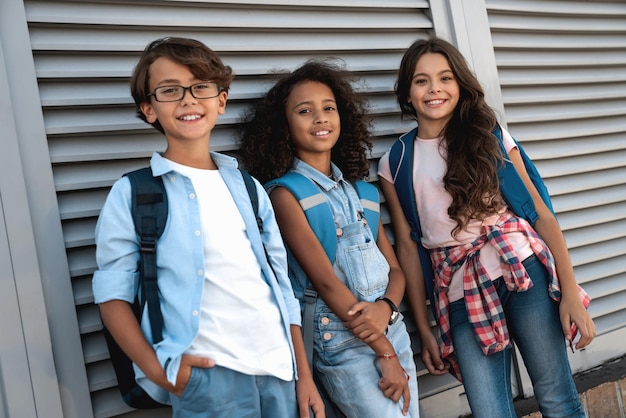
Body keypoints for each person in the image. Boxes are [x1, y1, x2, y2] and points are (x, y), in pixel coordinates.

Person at [92, 37, 324, 418]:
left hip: (280, 370)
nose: (188, 99)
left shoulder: (248, 188)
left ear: (221, 100)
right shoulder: (134, 193)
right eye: (170, 90)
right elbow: (112, 294)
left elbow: (282, 288)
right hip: (207, 379)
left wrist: (303, 375)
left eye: (200, 86)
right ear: (149, 109)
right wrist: (160, 371)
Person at [378, 37, 596, 418]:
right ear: (407, 93)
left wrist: (571, 296)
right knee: (489, 410)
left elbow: (539, 214)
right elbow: (410, 250)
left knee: (557, 397)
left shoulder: (488, 135)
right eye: (421, 81)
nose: (435, 89)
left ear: (460, 85)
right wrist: (425, 327)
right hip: (459, 288)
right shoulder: (395, 161)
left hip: (521, 269)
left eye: (445, 78)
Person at [239, 60, 420, 418]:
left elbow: (395, 270)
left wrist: (386, 310)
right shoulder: (285, 195)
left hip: (390, 327)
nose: (320, 118)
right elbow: (324, 282)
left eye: (328, 108)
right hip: (341, 339)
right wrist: (384, 352)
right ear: (285, 128)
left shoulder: (362, 193)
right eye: (305, 111)